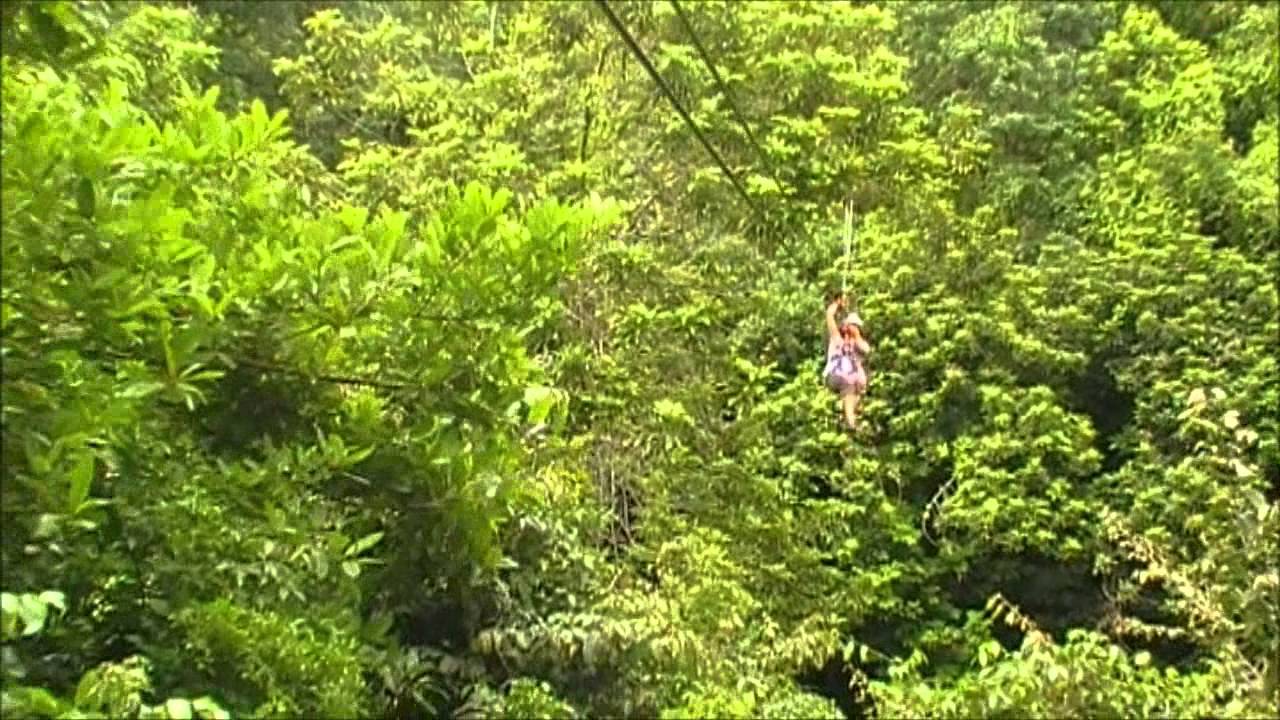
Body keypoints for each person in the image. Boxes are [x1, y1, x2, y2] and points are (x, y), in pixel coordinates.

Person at [823, 296, 870, 432]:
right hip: (837, 375)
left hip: (854, 381)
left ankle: (850, 416)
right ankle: (851, 422)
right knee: (848, 386)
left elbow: (866, 350)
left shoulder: (858, 344)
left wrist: (856, 336)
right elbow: (829, 315)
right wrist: (838, 304)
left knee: (857, 386)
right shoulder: (836, 338)